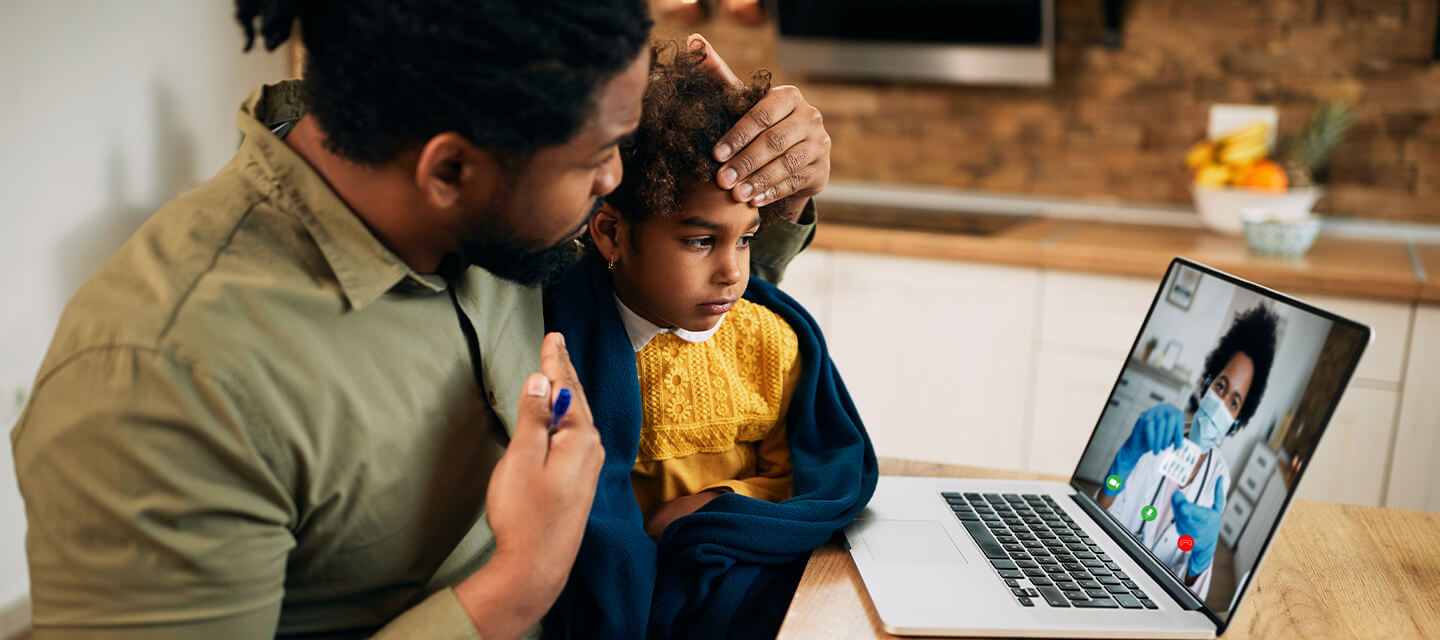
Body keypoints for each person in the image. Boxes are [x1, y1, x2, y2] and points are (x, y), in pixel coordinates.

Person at [9, 2, 835, 638]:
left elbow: (668, 283)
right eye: (596, 158)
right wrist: (516, 587)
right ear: (449, 170)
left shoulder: (489, 192)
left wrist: (776, 183)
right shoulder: (163, 380)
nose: (614, 179)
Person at [540, 44, 876, 639]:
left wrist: (716, 507)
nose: (733, 273)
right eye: (700, 242)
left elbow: (798, 473)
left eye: (746, 240)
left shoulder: (770, 345)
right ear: (612, 233)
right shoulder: (561, 350)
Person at [1096, 305, 1279, 599]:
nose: (1221, 403)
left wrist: (1201, 557)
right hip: (1105, 571)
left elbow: (1188, 591)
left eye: (1234, 403)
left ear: (1237, 421)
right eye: (1221, 386)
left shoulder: (1218, 480)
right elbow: (1102, 516)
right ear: (1207, 384)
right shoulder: (1155, 437)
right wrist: (1124, 463)